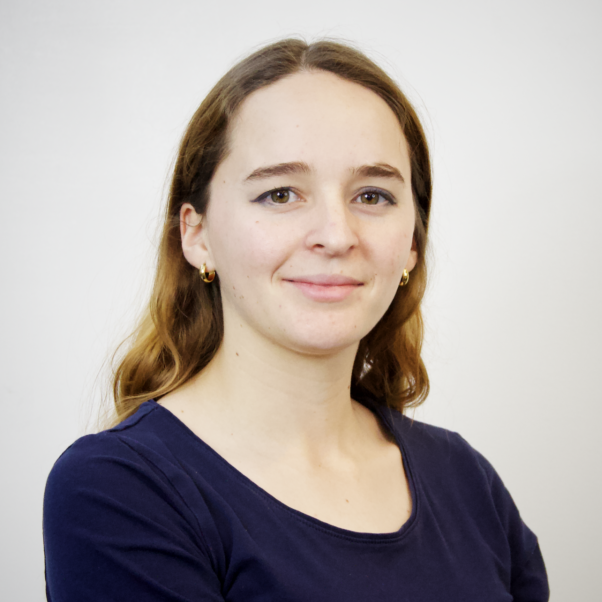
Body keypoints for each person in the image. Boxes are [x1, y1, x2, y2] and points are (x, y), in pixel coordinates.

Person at [43, 38, 549, 601]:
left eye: (373, 196)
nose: (336, 235)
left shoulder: (466, 480)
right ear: (197, 234)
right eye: (280, 193)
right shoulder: (118, 490)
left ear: (412, 242)